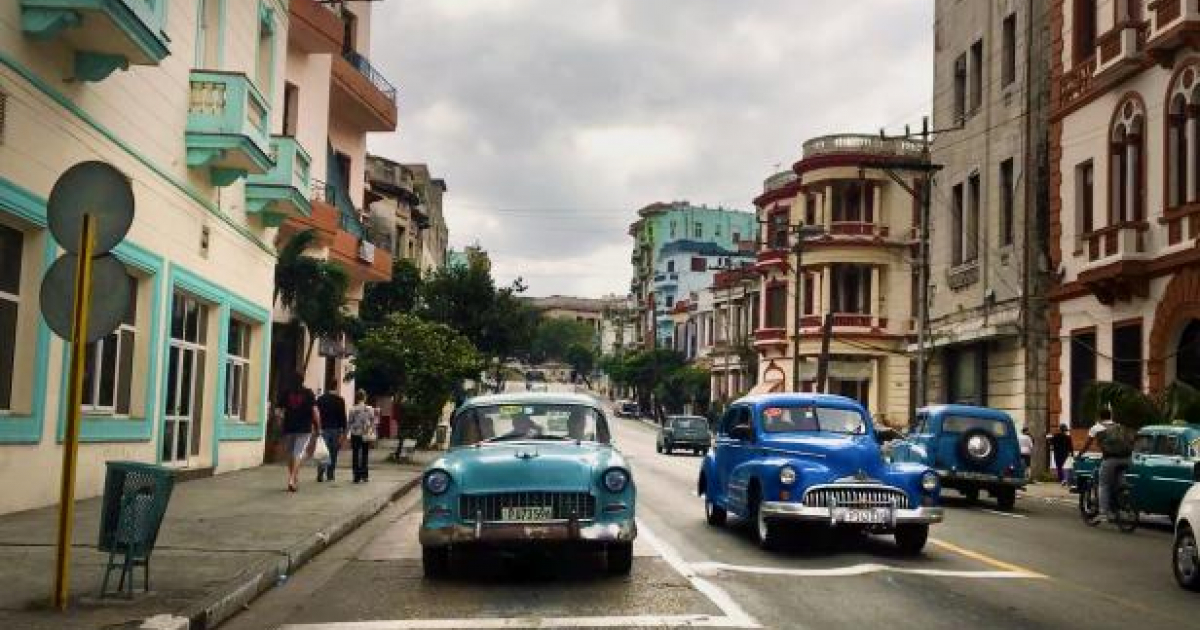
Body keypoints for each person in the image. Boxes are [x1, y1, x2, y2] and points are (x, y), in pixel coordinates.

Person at [1077, 408, 1134, 523]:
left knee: (1103, 485)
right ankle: (1124, 499)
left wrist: (1079, 454)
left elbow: (1087, 444)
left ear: (1099, 417)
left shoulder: (1096, 428)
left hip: (1110, 459)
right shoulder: (1119, 426)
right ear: (1110, 416)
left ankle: (1103, 513)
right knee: (1119, 480)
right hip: (1127, 458)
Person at [277, 373, 320, 493]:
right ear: (303, 381)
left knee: (291, 454)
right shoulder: (308, 393)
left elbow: (279, 411)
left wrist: (280, 424)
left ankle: (293, 478)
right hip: (304, 428)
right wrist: (318, 427)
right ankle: (292, 479)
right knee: (299, 453)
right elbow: (315, 411)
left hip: (289, 427)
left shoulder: (286, 393)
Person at [316, 384, 348, 483]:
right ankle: (330, 474)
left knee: (323, 451)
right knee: (333, 452)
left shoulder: (320, 399)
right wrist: (344, 431)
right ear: (336, 387)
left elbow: (317, 414)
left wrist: (317, 427)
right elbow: (343, 416)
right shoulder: (340, 400)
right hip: (336, 429)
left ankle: (320, 473)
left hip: (324, 428)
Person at [347, 390, 376, 483]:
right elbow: (373, 422)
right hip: (366, 434)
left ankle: (356, 476)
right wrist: (372, 432)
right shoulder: (370, 409)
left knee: (355, 454)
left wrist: (345, 434)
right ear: (365, 397)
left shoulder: (352, 409)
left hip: (355, 434)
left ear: (356, 397)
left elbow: (349, 422)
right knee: (364, 454)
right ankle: (365, 475)